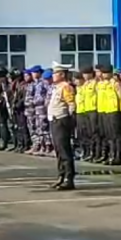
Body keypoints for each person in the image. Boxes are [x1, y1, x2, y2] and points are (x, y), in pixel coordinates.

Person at [48, 62, 77, 190]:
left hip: (61, 120)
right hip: (54, 120)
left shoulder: (66, 87)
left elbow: (71, 104)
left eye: (55, 73)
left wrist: (69, 120)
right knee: (59, 151)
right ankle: (61, 176)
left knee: (65, 150)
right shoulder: (57, 87)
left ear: (62, 74)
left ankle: (68, 178)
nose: (53, 75)